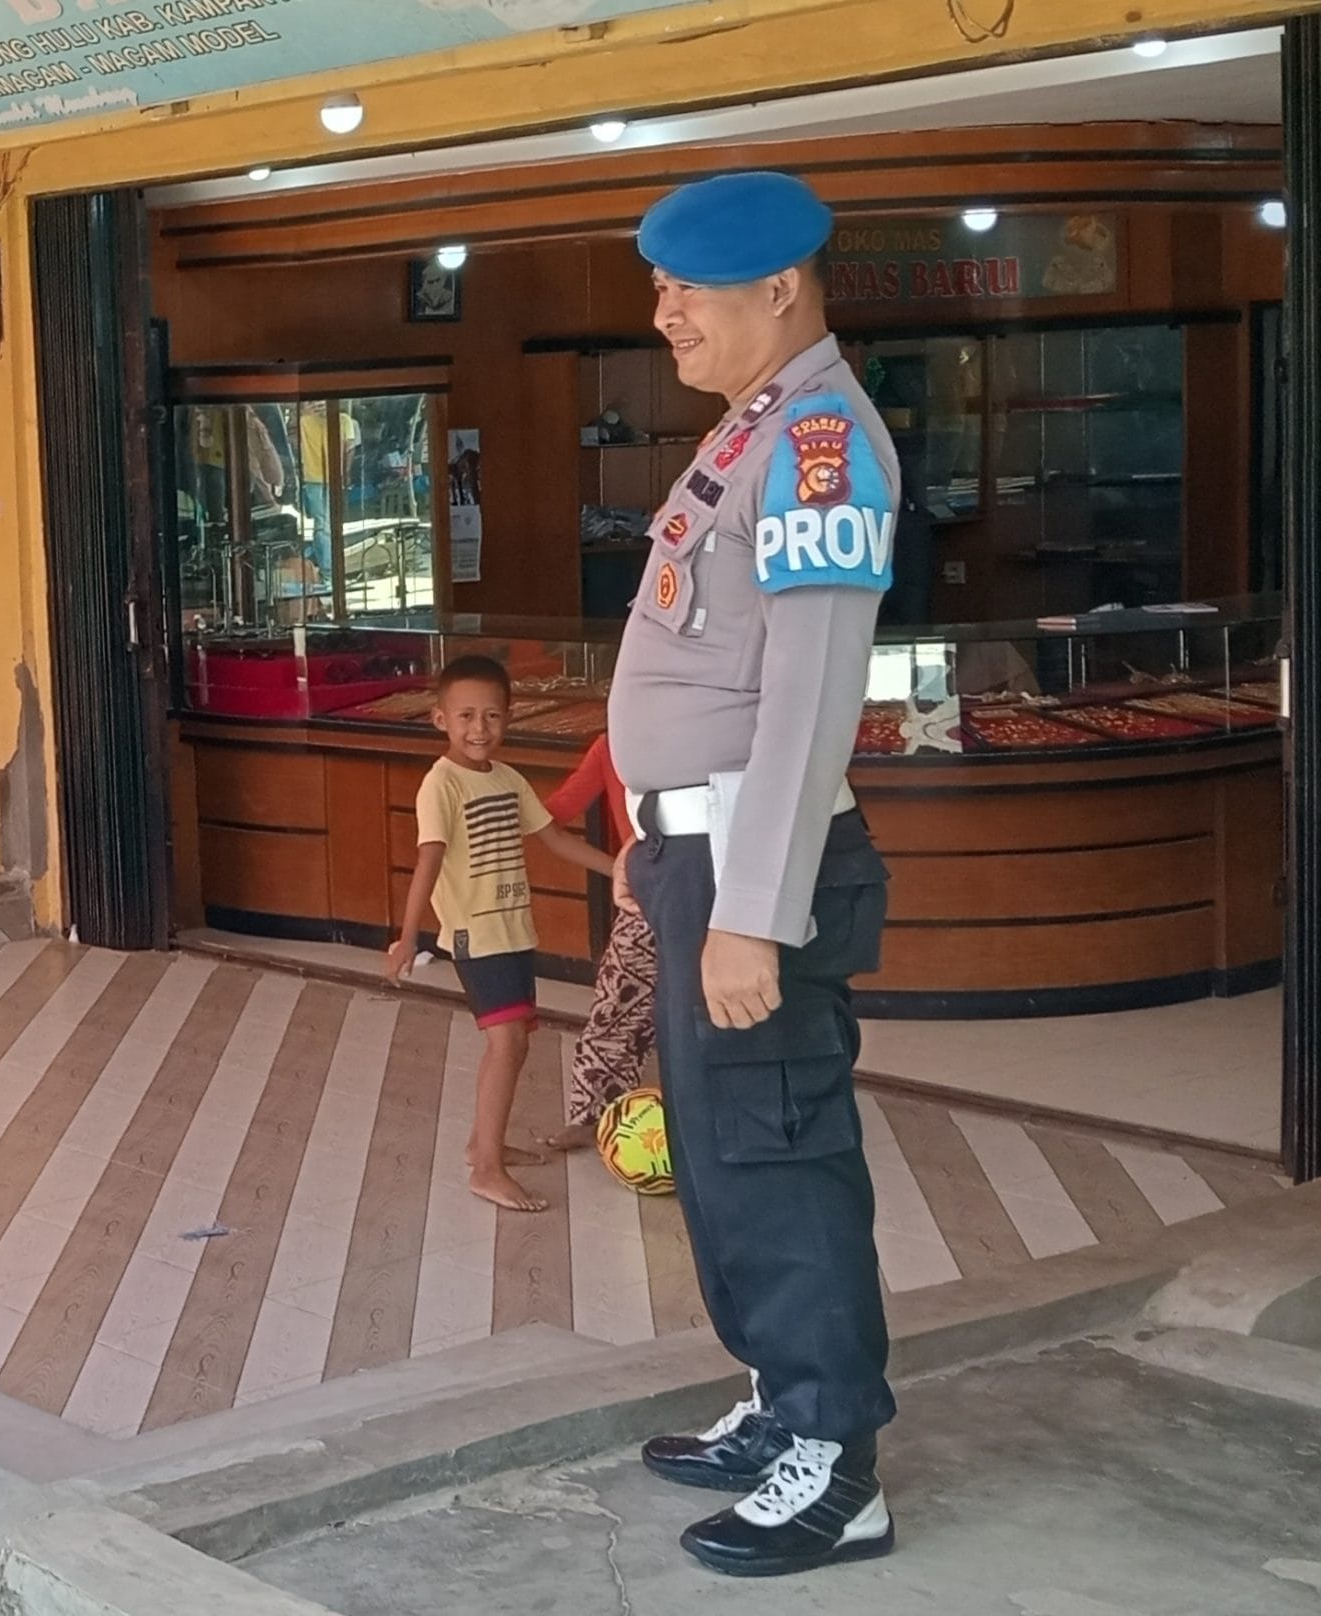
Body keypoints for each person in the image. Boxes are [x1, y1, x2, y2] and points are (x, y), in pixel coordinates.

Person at [606, 171, 899, 1577]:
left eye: (688, 291)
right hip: (703, 850)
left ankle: (837, 1459)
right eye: (659, 290)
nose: (665, 315)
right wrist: (652, 838)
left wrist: (754, 911)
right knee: (725, 1157)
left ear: (779, 289)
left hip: (754, 865)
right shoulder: (752, 429)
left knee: (780, 1156)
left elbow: (810, 697)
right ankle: (784, 1400)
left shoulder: (821, 442)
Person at [385, 654, 613, 1213]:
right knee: (505, 1042)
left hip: (513, 930)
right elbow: (428, 862)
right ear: (441, 719)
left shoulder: (508, 780)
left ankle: (482, 1145)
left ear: (509, 717)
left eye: (491, 715)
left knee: (516, 1042)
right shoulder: (441, 785)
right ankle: (486, 1168)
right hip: (476, 935)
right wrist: (408, 937)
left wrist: (622, 870)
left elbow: (554, 838)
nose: (479, 728)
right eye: (465, 716)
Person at [542, 733, 655, 1153]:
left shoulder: (698, 734)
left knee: (715, 1015)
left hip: (712, 899)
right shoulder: (611, 745)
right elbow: (553, 814)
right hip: (644, 903)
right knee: (613, 1011)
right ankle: (591, 1118)